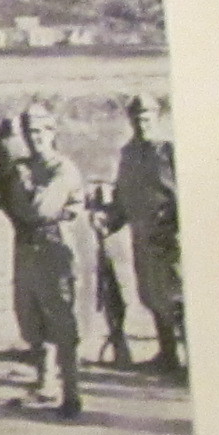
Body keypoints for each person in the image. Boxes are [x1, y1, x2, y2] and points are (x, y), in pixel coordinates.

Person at [0, 104, 88, 419]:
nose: (35, 140)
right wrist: (2, 155)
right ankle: (45, 384)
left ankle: (72, 394)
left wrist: (18, 181)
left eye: (40, 132)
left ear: (52, 133)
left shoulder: (63, 169)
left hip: (54, 247)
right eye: (29, 133)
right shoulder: (22, 165)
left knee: (61, 319)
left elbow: (40, 210)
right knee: (30, 317)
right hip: (26, 247)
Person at [94, 94, 184, 375]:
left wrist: (174, 227)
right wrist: (108, 219)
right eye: (137, 119)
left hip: (169, 237)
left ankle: (194, 363)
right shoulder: (129, 153)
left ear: (157, 117)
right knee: (151, 295)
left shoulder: (170, 151)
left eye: (147, 118)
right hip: (142, 237)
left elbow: (187, 197)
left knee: (178, 298)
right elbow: (123, 199)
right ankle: (168, 356)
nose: (142, 124)